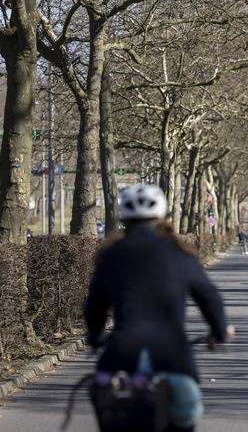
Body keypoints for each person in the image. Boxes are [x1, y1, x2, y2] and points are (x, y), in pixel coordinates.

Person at [84, 184, 234, 432]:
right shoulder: (180, 252)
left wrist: (95, 337)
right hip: (171, 356)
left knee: (109, 412)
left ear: (124, 218)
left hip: (122, 356)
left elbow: (94, 306)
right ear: (162, 217)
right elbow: (209, 297)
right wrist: (220, 331)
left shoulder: (112, 255)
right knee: (187, 414)